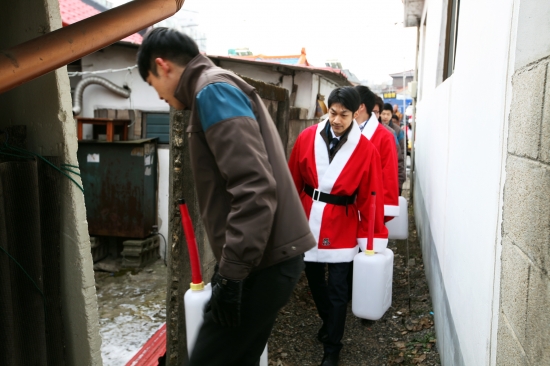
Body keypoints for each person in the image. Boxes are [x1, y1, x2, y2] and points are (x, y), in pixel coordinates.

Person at [137, 28, 315, 366]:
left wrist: (231, 276)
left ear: (162, 66)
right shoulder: (215, 87)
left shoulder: (213, 91)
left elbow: (253, 187)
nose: (158, 95)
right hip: (265, 259)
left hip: (262, 263)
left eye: (151, 82)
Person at [288, 87, 387, 366]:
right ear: (327, 109)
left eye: (344, 114)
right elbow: (293, 180)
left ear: (356, 113)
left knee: (338, 288)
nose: (337, 120)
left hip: (342, 221)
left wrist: (372, 236)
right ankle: (329, 321)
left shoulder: (366, 150)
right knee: (315, 281)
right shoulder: (307, 137)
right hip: (308, 218)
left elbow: (370, 196)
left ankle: (333, 347)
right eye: (332, 113)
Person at [355, 87, 400, 218]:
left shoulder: (385, 136)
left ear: (361, 106)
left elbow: (390, 174)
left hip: (372, 206)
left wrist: (382, 212)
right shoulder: (345, 130)